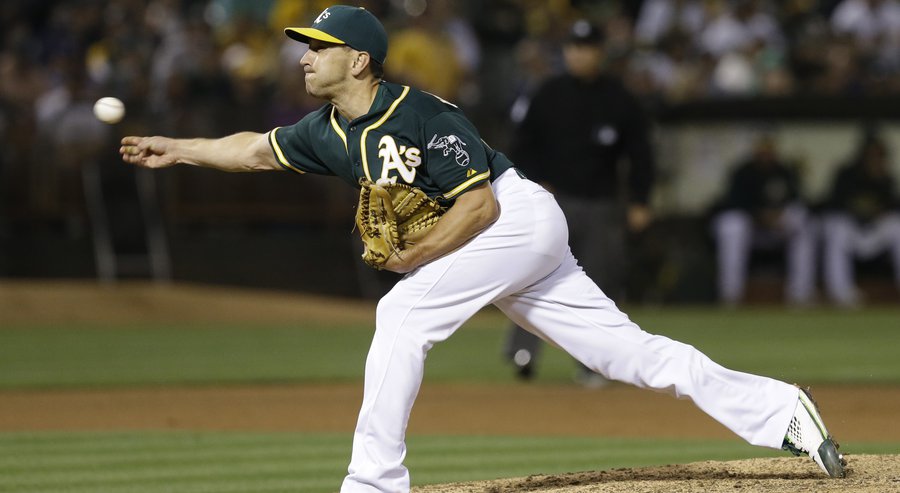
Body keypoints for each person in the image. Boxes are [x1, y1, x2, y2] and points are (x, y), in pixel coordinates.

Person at [119, 6, 845, 491]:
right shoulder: (324, 129)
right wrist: (175, 148)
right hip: (496, 241)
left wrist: (416, 254)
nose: (305, 56)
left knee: (403, 314)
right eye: (305, 47)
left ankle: (372, 482)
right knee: (624, 355)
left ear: (362, 61)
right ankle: (783, 409)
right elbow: (253, 151)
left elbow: (480, 202)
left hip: (515, 219)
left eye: (320, 47)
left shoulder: (422, 114)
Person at [503, 19, 656, 384]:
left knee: (601, 283)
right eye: (573, 47)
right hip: (551, 202)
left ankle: (594, 364)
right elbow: (522, 145)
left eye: (586, 48)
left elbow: (641, 153)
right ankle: (524, 352)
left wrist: (640, 200)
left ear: (599, 53)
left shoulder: (619, 98)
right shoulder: (548, 93)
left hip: (602, 203)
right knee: (531, 274)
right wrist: (530, 184)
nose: (579, 54)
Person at [712, 134, 816, 305]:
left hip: (778, 230)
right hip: (750, 230)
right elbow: (732, 203)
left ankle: (800, 295)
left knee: (802, 221)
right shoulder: (743, 172)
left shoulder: (785, 171)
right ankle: (730, 296)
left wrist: (778, 215)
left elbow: (799, 201)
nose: (765, 153)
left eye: (769, 148)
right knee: (731, 225)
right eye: (762, 148)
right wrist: (758, 215)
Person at [821, 131, 900, 306]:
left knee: (897, 225)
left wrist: (879, 182)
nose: (875, 158)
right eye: (871, 154)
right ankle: (841, 293)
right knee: (837, 226)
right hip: (851, 230)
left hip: (873, 232)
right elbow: (834, 204)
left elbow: (892, 207)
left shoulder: (885, 178)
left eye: (879, 154)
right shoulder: (847, 174)